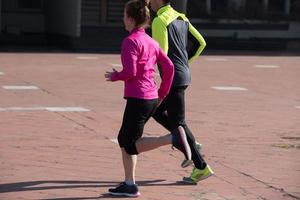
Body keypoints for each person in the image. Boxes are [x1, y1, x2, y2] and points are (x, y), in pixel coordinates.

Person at [105, 0, 192, 197]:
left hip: (139, 98)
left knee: (129, 142)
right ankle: (129, 183)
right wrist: (162, 93)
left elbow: (131, 71)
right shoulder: (151, 41)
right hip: (151, 97)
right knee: (125, 139)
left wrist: (115, 76)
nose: (123, 19)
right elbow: (169, 67)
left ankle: (173, 137)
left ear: (130, 18)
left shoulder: (130, 41)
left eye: (124, 15)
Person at [149, 0, 214, 184]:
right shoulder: (182, 17)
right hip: (183, 74)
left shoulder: (159, 20)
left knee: (178, 122)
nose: (149, 3)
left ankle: (201, 166)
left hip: (173, 78)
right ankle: (187, 142)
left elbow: (162, 53)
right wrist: (185, 63)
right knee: (156, 110)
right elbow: (201, 43)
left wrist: (148, 71)